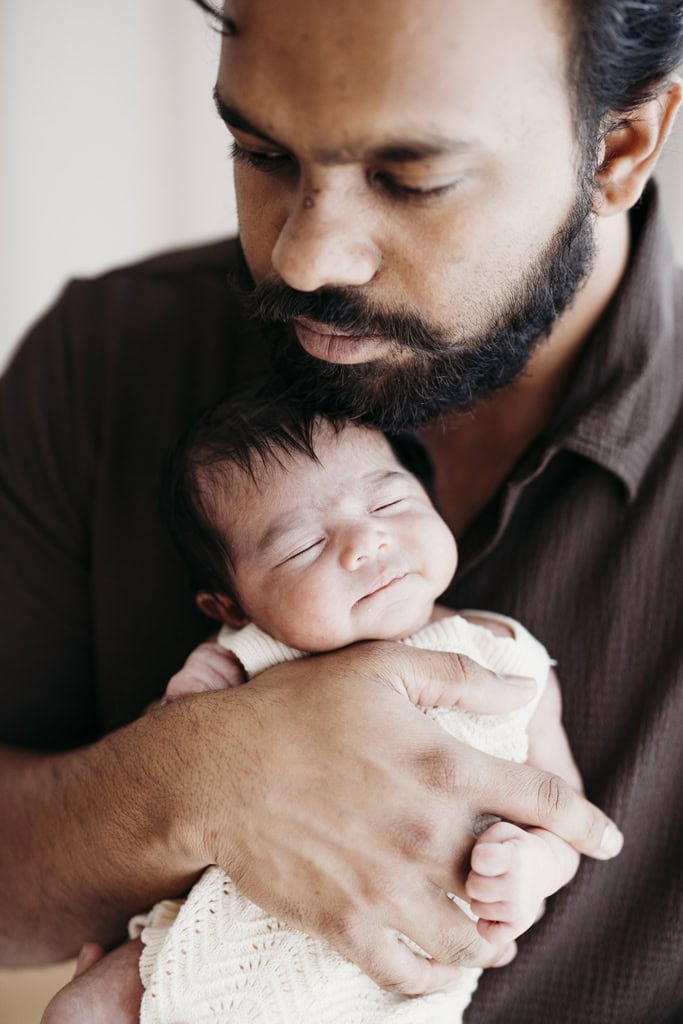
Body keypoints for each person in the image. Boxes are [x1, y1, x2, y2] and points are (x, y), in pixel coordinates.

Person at [2, 1, 682, 1020]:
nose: (303, 259)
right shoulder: (108, 357)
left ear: (618, 148)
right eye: (258, 150)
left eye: (410, 178)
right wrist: (194, 779)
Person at [45, 398, 582, 1023]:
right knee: (81, 1011)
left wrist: (532, 870)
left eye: (389, 503)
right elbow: (179, 745)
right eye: (303, 546)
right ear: (232, 608)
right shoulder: (252, 653)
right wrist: (187, 705)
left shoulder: (508, 656)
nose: (366, 541)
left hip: (390, 982)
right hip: (223, 937)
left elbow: (561, 807)